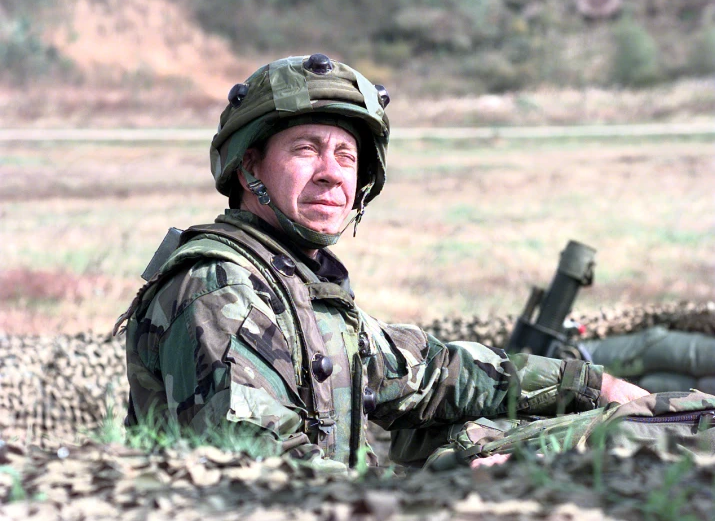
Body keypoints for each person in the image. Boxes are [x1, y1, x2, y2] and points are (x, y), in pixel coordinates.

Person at [115, 54, 648, 472]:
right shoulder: (222, 289)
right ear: (248, 165)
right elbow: (260, 475)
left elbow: (433, 374)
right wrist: (451, 491)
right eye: (306, 149)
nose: (332, 174)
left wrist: (591, 385)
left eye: (346, 156)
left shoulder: (296, 284)